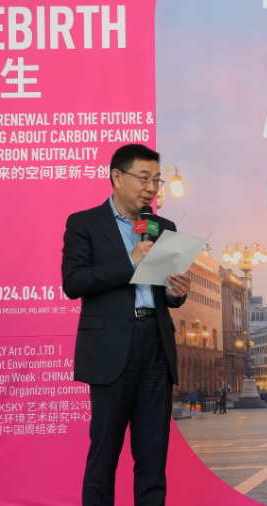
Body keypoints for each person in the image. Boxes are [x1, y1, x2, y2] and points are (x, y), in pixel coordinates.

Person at [61, 144, 191, 506]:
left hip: (156, 345)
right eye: (144, 178)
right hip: (111, 349)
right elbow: (73, 282)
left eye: (157, 180)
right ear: (117, 177)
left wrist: (177, 293)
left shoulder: (163, 227)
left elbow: (166, 293)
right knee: (104, 456)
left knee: (153, 457)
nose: (151, 188)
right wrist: (129, 262)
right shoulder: (84, 223)